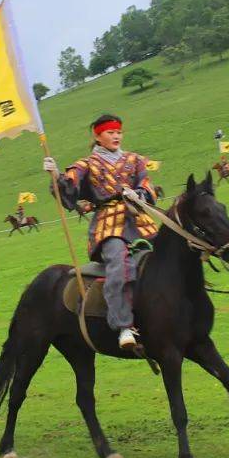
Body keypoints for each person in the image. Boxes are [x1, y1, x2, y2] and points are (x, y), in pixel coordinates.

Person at [43, 113, 158, 350]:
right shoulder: (86, 164)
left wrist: (141, 195)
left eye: (119, 132)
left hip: (140, 220)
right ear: (98, 136)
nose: (116, 136)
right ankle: (124, 326)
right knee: (119, 263)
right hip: (108, 225)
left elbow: (147, 185)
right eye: (110, 132)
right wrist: (56, 176)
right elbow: (70, 187)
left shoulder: (135, 160)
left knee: (171, 255)